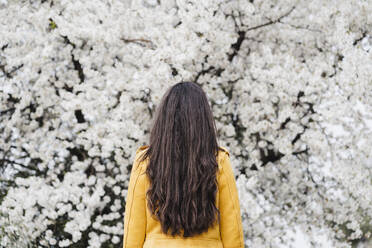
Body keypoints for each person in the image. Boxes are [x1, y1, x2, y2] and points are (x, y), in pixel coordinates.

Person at [123, 81, 245, 248]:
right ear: (203, 120)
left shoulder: (144, 161)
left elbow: (133, 229)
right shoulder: (219, 161)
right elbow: (233, 230)